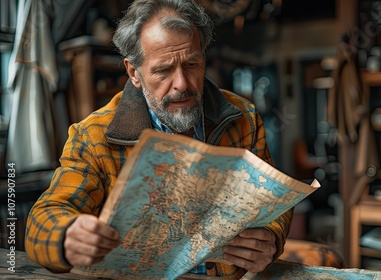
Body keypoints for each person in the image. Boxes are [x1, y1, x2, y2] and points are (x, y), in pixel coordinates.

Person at [24, 0, 293, 278]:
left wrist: (271, 238)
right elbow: (46, 215)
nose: (182, 84)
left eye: (192, 64)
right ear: (134, 73)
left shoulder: (242, 117)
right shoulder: (94, 136)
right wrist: (65, 236)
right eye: (163, 70)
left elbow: (273, 202)